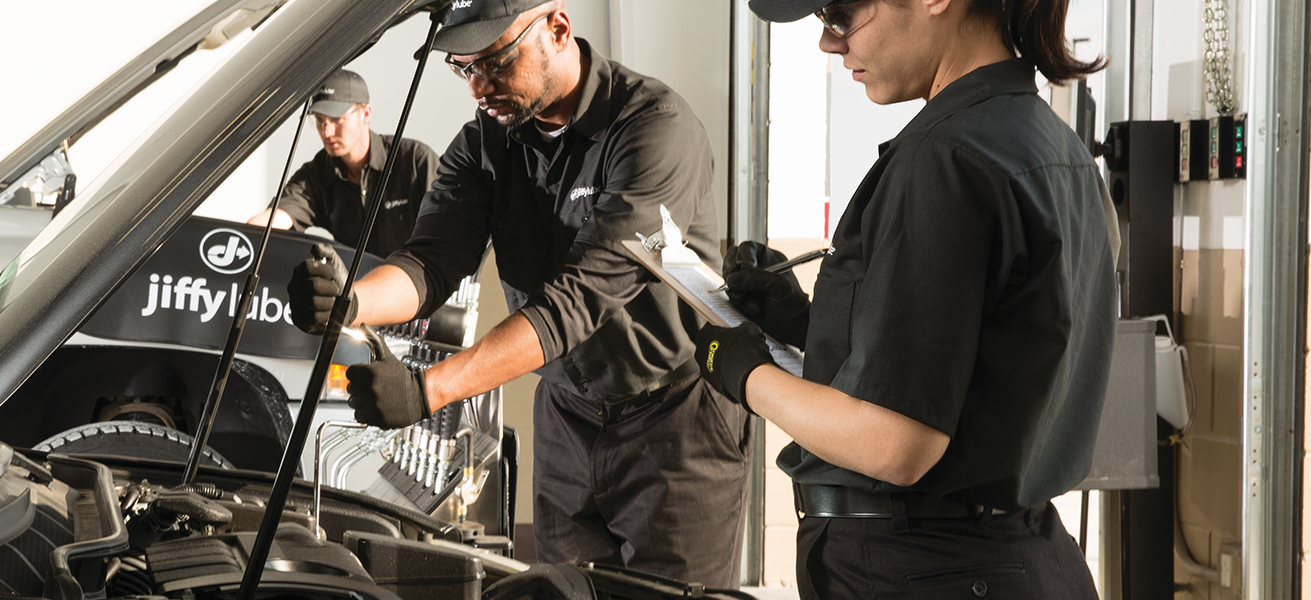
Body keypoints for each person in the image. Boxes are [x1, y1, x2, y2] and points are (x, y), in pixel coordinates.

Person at [286, 0, 748, 586]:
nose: (479, 86)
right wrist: (351, 303)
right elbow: (432, 260)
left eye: (496, 61)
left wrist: (431, 389)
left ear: (557, 28)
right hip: (565, 414)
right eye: (463, 68)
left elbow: (576, 302)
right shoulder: (486, 142)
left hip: (673, 416)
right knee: (561, 590)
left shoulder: (653, 128)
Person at [695, 0, 1115, 597]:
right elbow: (980, 373)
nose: (829, 44)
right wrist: (804, 324)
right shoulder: (1059, 150)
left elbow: (898, 444)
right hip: (1028, 559)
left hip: (923, 570)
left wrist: (740, 371)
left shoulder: (943, 156)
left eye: (840, 14)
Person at [248, 70, 440, 258]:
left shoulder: (416, 161)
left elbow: (450, 235)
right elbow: (271, 221)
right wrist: (238, 242)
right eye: (319, 120)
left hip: (419, 286)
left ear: (366, 114)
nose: (327, 131)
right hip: (356, 289)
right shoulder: (316, 174)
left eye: (337, 120)